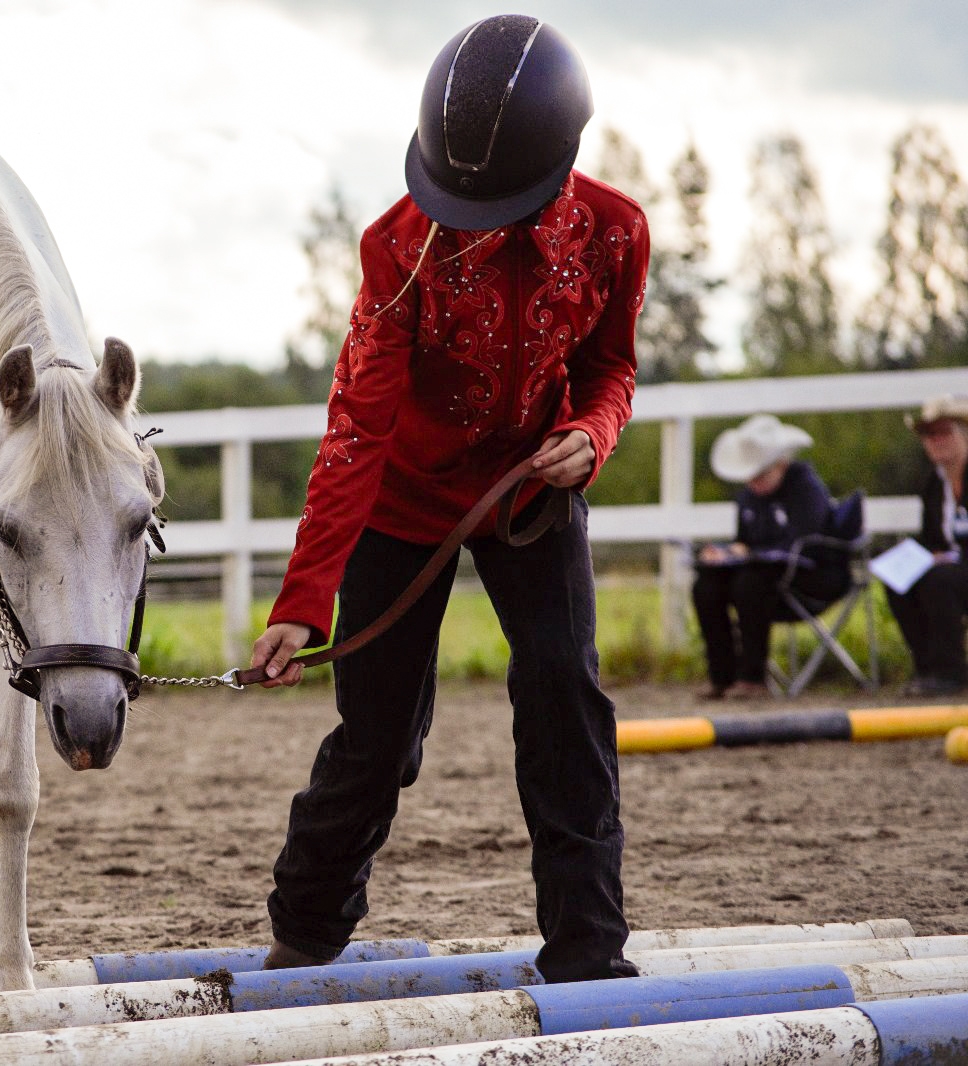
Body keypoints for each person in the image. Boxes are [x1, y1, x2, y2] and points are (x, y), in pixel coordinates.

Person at [248, 14, 648, 984]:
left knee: (565, 697)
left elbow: (611, 371)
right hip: (403, 502)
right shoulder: (396, 248)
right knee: (379, 737)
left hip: (531, 493)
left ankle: (588, 952)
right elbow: (354, 429)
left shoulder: (614, 232)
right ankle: (304, 928)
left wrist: (589, 438)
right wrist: (302, 604)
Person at [691, 414, 847, 700]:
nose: (754, 481)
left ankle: (753, 678)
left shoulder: (806, 488)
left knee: (748, 584)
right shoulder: (748, 497)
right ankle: (721, 677)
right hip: (761, 577)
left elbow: (804, 541)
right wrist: (724, 553)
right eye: (750, 474)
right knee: (706, 584)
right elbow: (745, 542)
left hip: (809, 580)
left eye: (761, 473)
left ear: (781, 464)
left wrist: (749, 553)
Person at [885, 393, 968, 698]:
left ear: (964, 434)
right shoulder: (933, 484)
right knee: (898, 581)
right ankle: (928, 669)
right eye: (929, 435)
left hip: (956, 573)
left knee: (939, 580)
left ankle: (952, 672)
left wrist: (948, 559)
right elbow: (931, 538)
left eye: (944, 432)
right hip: (953, 570)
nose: (936, 441)